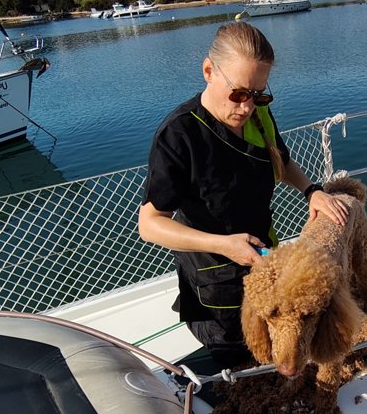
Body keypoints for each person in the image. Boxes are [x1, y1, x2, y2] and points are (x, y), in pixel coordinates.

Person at [139, 21, 348, 370]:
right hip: (216, 279)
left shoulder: (258, 114)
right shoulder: (179, 135)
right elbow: (150, 224)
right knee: (239, 365)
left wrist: (311, 190)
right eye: (239, 93)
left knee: (277, 345)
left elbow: (281, 161)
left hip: (265, 261)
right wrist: (223, 244)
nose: (248, 107)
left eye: (260, 94)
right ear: (209, 71)